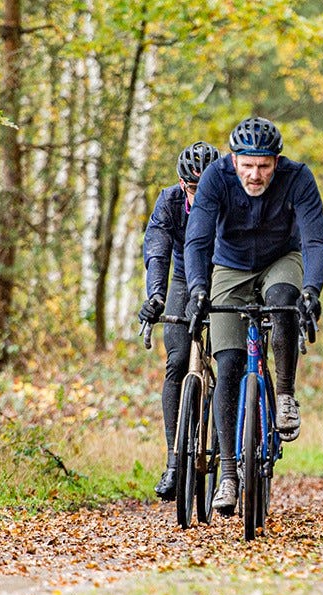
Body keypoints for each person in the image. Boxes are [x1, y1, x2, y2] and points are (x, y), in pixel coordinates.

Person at [183, 117, 323, 513]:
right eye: (247, 165)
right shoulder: (215, 178)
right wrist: (198, 289)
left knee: (284, 300)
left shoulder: (298, 178)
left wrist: (312, 291)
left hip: (281, 258)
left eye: (264, 165)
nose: (255, 174)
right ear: (234, 160)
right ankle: (229, 474)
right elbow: (197, 238)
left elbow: (316, 240)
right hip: (228, 266)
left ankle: (284, 395)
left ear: (276, 161)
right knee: (228, 364)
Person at [137, 141, 222, 501]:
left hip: (222, 277)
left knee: (227, 358)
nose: (197, 196)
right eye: (192, 188)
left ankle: (230, 452)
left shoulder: (231, 201)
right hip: (185, 279)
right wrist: (155, 295)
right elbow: (156, 250)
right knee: (175, 363)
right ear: (181, 184)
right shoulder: (169, 201)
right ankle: (174, 461)